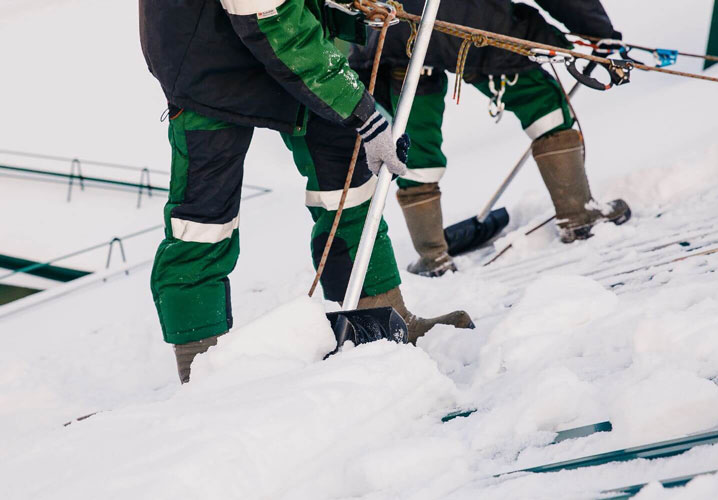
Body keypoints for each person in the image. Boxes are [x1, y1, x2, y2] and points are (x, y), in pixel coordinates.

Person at [138, 0, 473, 382]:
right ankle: (201, 370)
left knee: (346, 167)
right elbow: (274, 21)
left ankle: (381, 316)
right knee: (203, 218)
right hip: (209, 63)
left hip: (280, 41)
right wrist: (364, 113)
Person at [349, 0, 632, 277]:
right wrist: (600, 33)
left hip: (390, 32)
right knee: (541, 100)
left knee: (414, 139)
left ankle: (433, 256)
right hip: (470, 23)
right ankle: (579, 216)